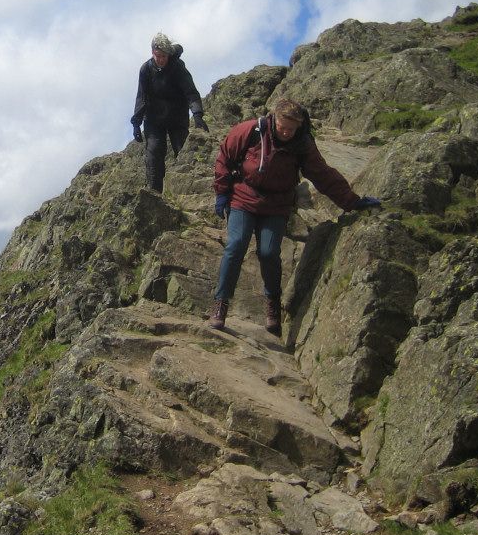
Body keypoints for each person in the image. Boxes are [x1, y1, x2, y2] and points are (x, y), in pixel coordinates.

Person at [208, 98, 381, 335]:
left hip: (277, 205)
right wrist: (221, 193)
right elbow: (225, 158)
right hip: (243, 198)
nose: (286, 132)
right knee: (236, 245)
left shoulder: (302, 144)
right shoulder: (251, 130)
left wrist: (353, 201)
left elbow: (322, 174)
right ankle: (221, 304)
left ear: (300, 126)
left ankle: (272, 306)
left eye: (292, 128)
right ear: (274, 119)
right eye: (282, 127)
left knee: (269, 253)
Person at [131, 32, 208, 192]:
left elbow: (190, 92)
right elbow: (142, 97)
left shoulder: (177, 67)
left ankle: (190, 191)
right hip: (154, 119)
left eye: (164, 56)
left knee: (183, 151)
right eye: (157, 55)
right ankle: (155, 196)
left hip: (176, 118)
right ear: (152, 52)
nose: (160, 59)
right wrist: (136, 123)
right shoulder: (146, 69)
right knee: (153, 156)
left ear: (169, 54)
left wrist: (197, 115)